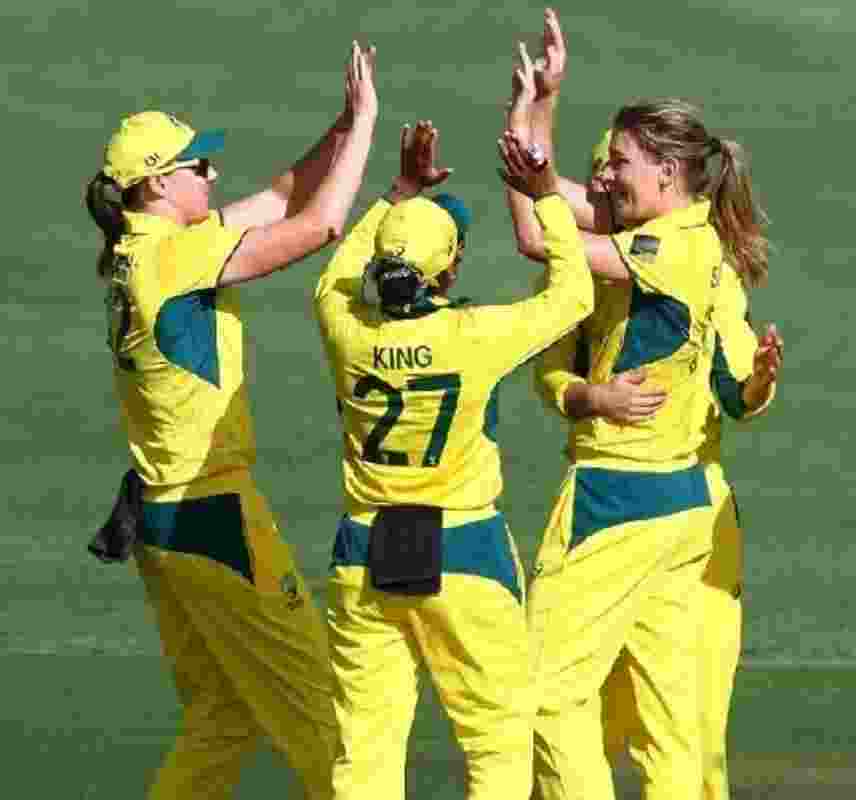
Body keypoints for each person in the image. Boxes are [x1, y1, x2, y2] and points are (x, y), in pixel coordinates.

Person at [84, 42, 379, 800]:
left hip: (160, 518)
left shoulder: (136, 249)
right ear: (157, 183)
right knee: (326, 720)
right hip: (214, 516)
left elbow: (282, 193)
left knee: (225, 712)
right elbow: (317, 226)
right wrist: (372, 122)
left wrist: (341, 130)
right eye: (198, 167)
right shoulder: (176, 260)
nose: (213, 175)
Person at [498, 11, 775, 800]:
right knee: (668, 724)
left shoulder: (666, 248)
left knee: (545, 694)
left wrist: (529, 154)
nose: (606, 179)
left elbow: (539, 233)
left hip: (620, 496)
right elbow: (552, 199)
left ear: (664, 171)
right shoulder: (683, 237)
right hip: (682, 504)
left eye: (619, 162)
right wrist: (541, 102)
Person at [312, 97, 593, 798]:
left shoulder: (345, 328)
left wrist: (398, 193)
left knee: (366, 745)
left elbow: (334, 279)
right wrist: (544, 196)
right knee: (496, 737)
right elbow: (575, 292)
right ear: (451, 270)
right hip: (463, 551)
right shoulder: (475, 336)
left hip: (364, 554)